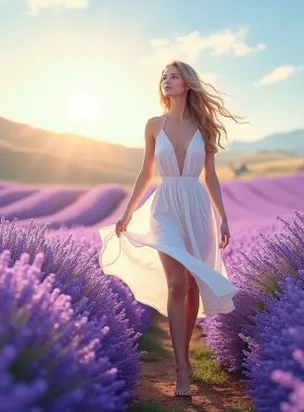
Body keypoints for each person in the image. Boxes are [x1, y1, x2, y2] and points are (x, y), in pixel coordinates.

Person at [98, 60, 245, 398]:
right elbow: (146, 172)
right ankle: (181, 367)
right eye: (164, 77)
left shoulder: (204, 127)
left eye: (173, 76)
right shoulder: (153, 125)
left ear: (188, 83)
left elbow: (210, 177)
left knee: (193, 286)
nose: (166, 81)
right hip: (164, 207)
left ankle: (186, 356)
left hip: (197, 207)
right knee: (177, 284)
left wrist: (223, 217)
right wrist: (128, 210)